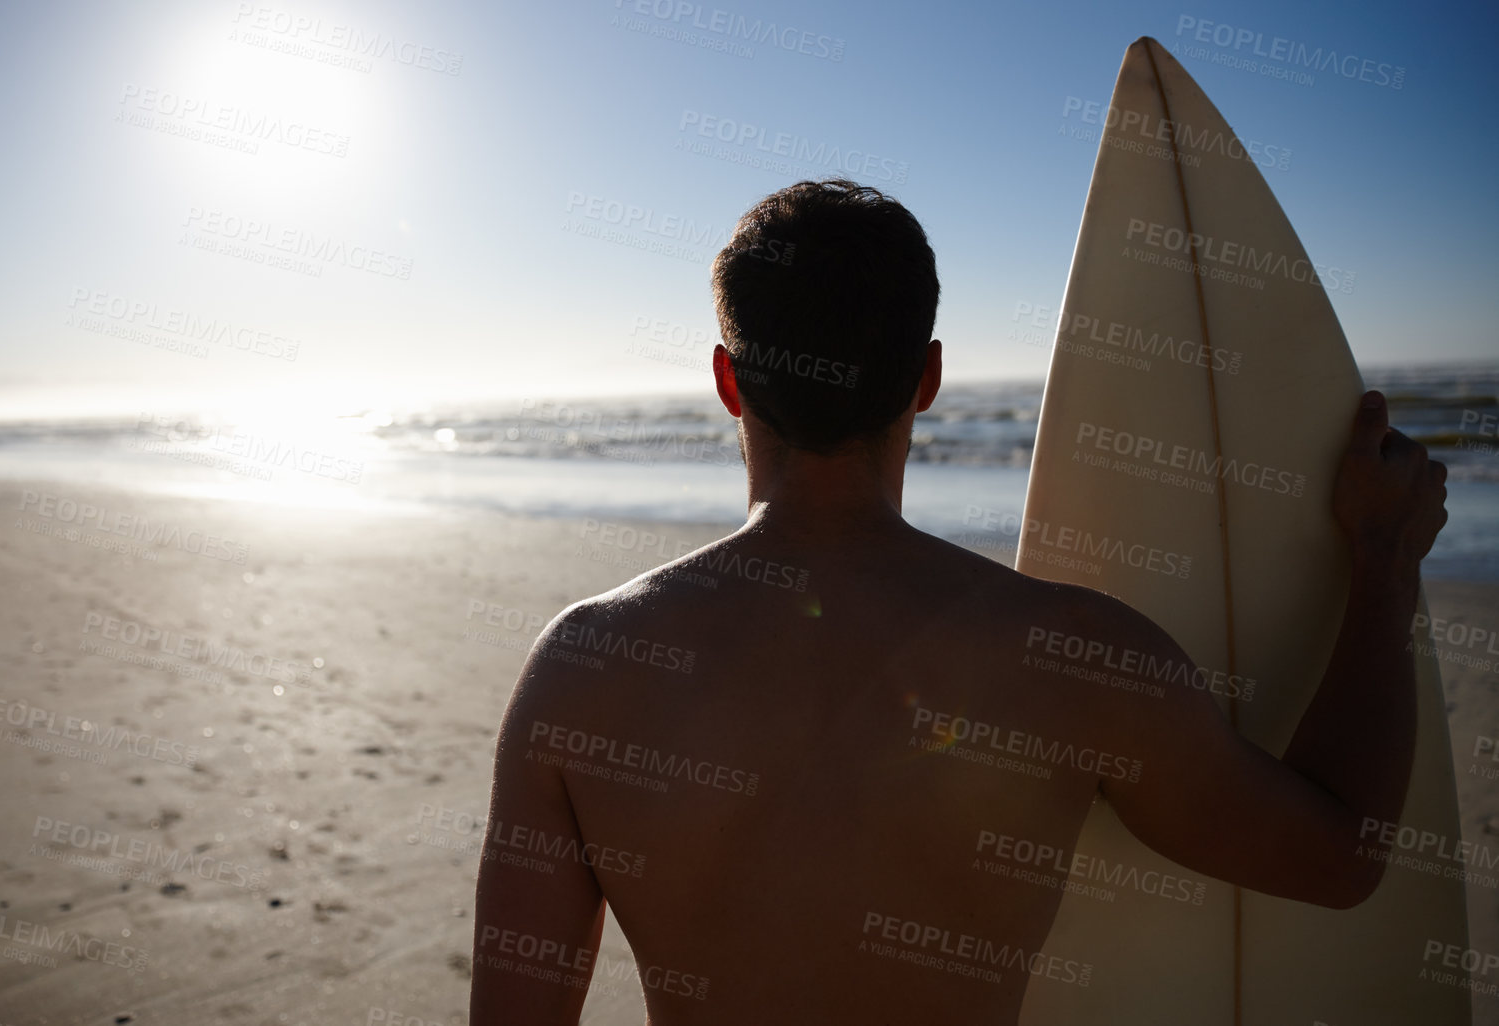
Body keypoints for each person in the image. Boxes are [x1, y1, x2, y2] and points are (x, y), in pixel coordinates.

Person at [469, 180, 1447, 1024]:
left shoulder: (583, 665)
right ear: (927, 378)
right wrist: (1383, 563)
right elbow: (1339, 856)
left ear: (729, 381)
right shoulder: (1074, 656)